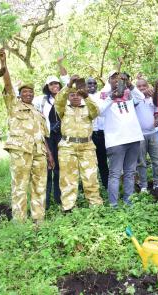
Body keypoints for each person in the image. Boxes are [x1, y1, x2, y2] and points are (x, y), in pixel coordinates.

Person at [0, 48, 54, 223]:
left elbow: (44, 135)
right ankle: (19, 221)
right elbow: (8, 86)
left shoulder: (38, 112)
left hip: (39, 153)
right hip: (21, 152)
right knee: (20, 186)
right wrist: (3, 64)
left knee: (39, 186)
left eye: (31, 92)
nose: (28, 93)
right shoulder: (14, 105)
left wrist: (49, 155)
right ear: (20, 94)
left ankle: (39, 219)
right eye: (25, 91)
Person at [55, 75, 104, 212]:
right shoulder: (63, 109)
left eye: (78, 95)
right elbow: (58, 100)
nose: (75, 97)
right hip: (67, 147)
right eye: (72, 95)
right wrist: (69, 85)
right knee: (68, 178)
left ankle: (95, 206)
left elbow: (96, 111)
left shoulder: (87, 107)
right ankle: (68, 207)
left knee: (91, 177)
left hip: (87, 147)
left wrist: (87, 96)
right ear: (69, 96)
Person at [98, 71, 144, 207]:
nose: (117, 80)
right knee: (115, 174)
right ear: (109, 81)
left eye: (120, 78)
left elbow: (141, 97)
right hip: (116, 141)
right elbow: (99, 111)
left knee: (130, 172)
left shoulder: (128, 94)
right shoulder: (104, 96)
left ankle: (128, 201)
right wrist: (112, 96)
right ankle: (113, 204)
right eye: (113, 78)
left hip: (133, 138)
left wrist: (129, 84)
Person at [32, 56, 68, 208]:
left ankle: (59, 198)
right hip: (48, 137)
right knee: (48, 166)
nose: (55, 86)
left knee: (60, 168)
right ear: (48, 86)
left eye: (56, 83)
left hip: (62, 136)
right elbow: (23, 98)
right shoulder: (41, 100)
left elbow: (67, 80)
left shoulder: (65, 97)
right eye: (52, 84)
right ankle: (45, 202)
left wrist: (60, 64)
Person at [135, 78, 158, 192]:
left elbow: (156, 107)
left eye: (144, 86)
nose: (141, 88)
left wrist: (156, 117)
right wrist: (141, 94)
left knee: (157, 159)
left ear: (147, 86)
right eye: (139, 86)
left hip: (153, 133)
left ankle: (157, 183)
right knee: (141, 161)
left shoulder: (152, 98)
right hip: (139, 135)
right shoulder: (134, 98)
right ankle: (144, 185)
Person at [87, 77, 109, 191]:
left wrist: (119, 65)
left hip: (102, 133)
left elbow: (111, 83)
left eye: (94, 83)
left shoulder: (102, 94)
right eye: (89, 83)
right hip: (89, 135)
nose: (92, 85)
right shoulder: (82, 96)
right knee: (89, 163)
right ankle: (91, 188)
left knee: (103, 161)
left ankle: (106, 186)